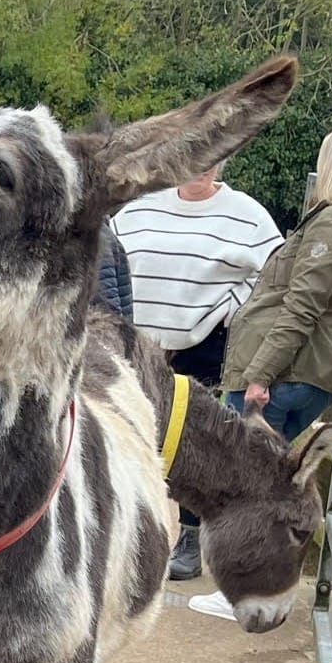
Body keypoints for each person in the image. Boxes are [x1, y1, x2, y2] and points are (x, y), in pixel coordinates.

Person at [189, 120, 332, 622]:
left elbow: (301, 308)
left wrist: (259, 374)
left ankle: (244, 587)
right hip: (307, 369)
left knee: (250, 484)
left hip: (288, 370)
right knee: (266, 483)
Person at [112, 160, 282, 580]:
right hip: (138, 345)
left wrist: (233, 308)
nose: (201, 168)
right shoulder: (140, 208)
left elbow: (276, 276)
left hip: (202, 346)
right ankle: (128, 532)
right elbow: (108, 257)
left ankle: (187, 538)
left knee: (194, 448)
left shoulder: (247, 215)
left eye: (212, 160)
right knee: (128, 436)